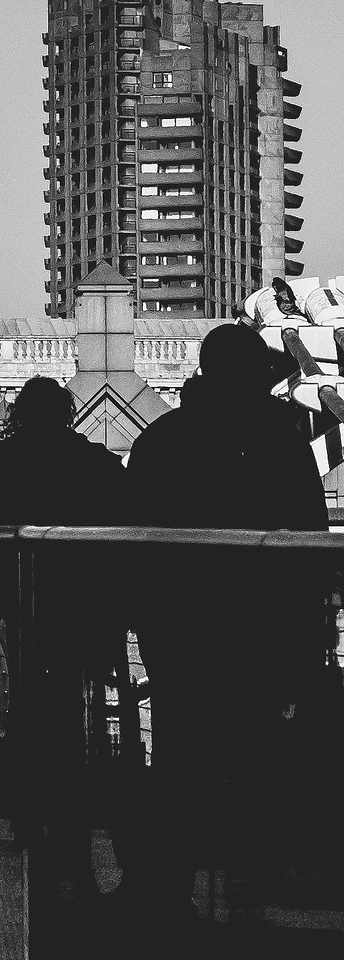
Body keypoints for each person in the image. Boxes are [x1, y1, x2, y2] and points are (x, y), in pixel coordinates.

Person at [125, 324, 328, 918]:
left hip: (181, 630)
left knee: (182, 757)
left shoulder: (163, 439)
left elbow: (137, 540)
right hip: (264, 631)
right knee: (259, 758)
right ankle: (250, 887)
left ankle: (173, 886)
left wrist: (149, 618)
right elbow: (310, 538)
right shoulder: (282, 439)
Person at [0, 378, 125, 891]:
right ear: (66, 414)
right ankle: (75, 807)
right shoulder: (97, 464)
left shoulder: (4, 464)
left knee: (27, 700)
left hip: (26, 601)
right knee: (78, 702)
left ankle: (28, 806)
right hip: (83, 602)